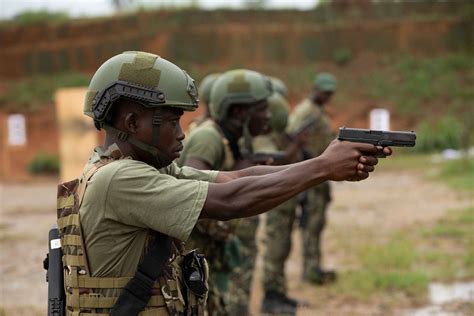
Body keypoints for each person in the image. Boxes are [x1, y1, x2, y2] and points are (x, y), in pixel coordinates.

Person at [57, 51, 389, 316]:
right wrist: (322, 167)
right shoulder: (120, 178)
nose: (181, 133)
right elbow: (231, 201)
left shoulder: (137, 169)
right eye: (172, 122)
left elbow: (235, 178)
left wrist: (323, 163)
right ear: (132, 122)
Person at [178, 68, 272, 316]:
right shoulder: (208, 138)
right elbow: (191, 194)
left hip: (208, 255)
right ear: (240, 112)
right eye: (262, 109)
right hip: (192, 256)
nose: (268, 115)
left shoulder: (229, 139)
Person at [254, 90, 309, 315]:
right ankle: (271, 297)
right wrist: (296, 144)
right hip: (276, 204)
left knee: (283, 248)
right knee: (275, 250)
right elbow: (278, 162)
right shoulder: (264, 139)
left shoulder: (278, 135)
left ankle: (279, 292)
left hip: (285, 203)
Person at [287, 72, 338, 285]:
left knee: (317, 222)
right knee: (311, 221)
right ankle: (310, 269)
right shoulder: (306, 110)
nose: (327, 96)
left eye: (330, 93)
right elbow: (291, 134)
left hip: (319, 171)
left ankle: (314, 266)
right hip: (312, 171)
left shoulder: (317, 110)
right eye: (324, 92)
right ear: (315, 89)